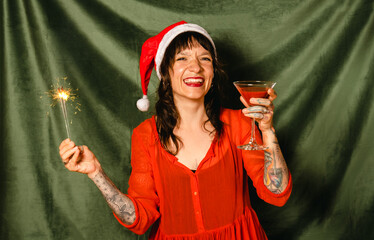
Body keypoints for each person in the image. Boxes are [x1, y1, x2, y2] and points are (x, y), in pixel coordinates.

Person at [59, 21, 292, 239]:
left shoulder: (239, 123)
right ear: (166, 73)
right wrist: (95, 173)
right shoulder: (145, 135)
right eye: (182, 58)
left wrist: (268, 130)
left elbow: (277, 193)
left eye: (205, 58)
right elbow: (138, 219)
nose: (196, 67)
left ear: (213, 72)